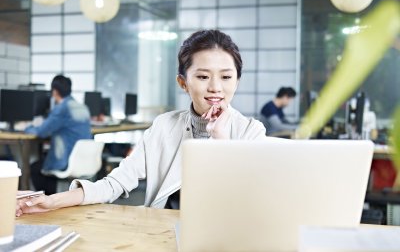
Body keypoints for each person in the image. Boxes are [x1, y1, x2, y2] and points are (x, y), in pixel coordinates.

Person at [16, 29, 267, 215]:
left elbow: (246, 204)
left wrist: (220, 140)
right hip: (162, 230)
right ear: (183, 83)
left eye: (226, 77)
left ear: (237, 81)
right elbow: (116, 182)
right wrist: (52, 201)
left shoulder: (251, 131)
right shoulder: (164, 126)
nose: (215, 87)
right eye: (202, 76)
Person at [25, 75, 92, 195]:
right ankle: (55, 200)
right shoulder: (83, 107)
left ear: (55, 92)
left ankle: (50, 200)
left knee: (35, 168)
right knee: (43, 164)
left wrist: (27, 127)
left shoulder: (62, 109)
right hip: (83, 159)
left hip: (65, 160)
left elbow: (41, 132)